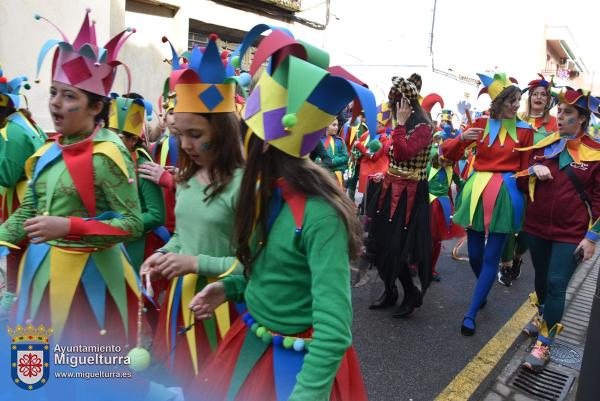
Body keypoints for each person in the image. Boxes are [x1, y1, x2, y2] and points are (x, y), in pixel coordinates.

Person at [187, 25, 377, 401]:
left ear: (256, 146)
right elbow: (267, 268)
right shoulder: (263, 192)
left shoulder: (320, 216)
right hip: (253, 345)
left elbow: (334, 329)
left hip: (301, 368)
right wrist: (229, 287)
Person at [140, 35, 245, 390]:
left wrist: (196, 264)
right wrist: (162, 256)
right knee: (182, 384)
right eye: (179, 133)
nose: (184, 145)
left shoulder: (248, 185)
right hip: (183, 304)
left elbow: (258, 263)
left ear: (223, 131)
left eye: (195, 134)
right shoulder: (185, 177)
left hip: (228, 308)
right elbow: (184, 235)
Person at [440, 73, 534, 335]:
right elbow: (448, 155)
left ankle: (471, 311)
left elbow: (525, 171)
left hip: (507, 192)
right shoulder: (480, 124)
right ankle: (484, 285)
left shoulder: (526, 132)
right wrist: (462, 139)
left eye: (518, 100)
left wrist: (529, 196)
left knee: (492, 255)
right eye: (512, 100)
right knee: (476, 254)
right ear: (499, 101)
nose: (517, 105)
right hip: (477, 191)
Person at [514, 88, 600, 371]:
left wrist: (591, 238)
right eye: (559, 112)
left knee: (555, 284)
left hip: (571, 233)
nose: (560, 117)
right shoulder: (543, 146)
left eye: (567, 113)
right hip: (536, 228)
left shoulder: (596, 154)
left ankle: (545, 344)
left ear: (583, 119)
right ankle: (542, 314)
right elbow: (519, 183)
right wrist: (532, 173)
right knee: (540, 280)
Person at [367, 74, 434, 318]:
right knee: (378, 240)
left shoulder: (424, 127)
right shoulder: (403, 123)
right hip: (390, 186)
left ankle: (410, 290)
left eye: (396, 103)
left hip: (410, 194)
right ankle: (390, 290)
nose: (393, 108)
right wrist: (384, 174)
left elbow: (404, 152)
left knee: (397, 246)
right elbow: (395, 158)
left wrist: (400, 125)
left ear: (407, 105)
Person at [498, 74, 559, 287]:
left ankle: (518, 257)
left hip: (541, 184)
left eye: (543, 94)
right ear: (530, 97)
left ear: (548, 99)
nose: (539, 97)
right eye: (535, 94)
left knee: (527, 229)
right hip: (515, 179)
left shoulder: (554, 124)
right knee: (506, 222)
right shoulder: (518, 118)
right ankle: (505, 264)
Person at [0, 68, 47, 315]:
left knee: (16, 247)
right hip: (23, 196)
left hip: (21, 200)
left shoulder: (12, 131)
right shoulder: (23, 123)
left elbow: (6, 175)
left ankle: (16, 302)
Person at [108, 94, 166, 272]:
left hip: (135, 246)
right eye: (107, 135)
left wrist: (119, 226)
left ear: (133, 140)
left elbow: (156, 214)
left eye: (118, 137)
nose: (110, 142)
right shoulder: (106, 161)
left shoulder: (142, 166)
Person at [319, 119, 349, 186]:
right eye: (333, 125)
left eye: (337, 125)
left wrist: (332, 161)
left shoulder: (340, 141)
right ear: (326, 126)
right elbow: (316, 157)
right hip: (323, 175)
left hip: (338, 176)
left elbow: (345, 156)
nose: (336, 128)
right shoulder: (319, 141)